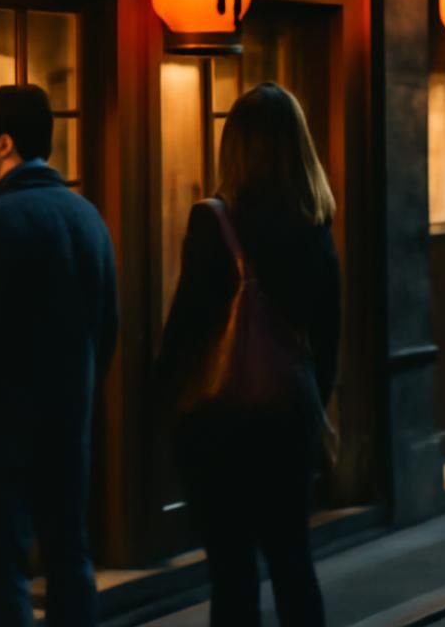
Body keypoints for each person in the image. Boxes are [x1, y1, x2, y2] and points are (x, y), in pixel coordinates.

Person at [157, 83, 341, 627]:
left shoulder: (215, 223)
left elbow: (186, 326)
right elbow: (327, 341)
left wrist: (163, 403)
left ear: (234, 146)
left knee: (233, 576)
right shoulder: (316, 228)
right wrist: (313, 409)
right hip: (289, 424)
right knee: (292, 565)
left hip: (219, 428)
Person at [0, 84, 118, 627]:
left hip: (3, 434)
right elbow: (107, 330)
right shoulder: (87, 215)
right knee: (70, 557)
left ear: (4, 145)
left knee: (5, 575)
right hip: (70, 424)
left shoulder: (1, 222)